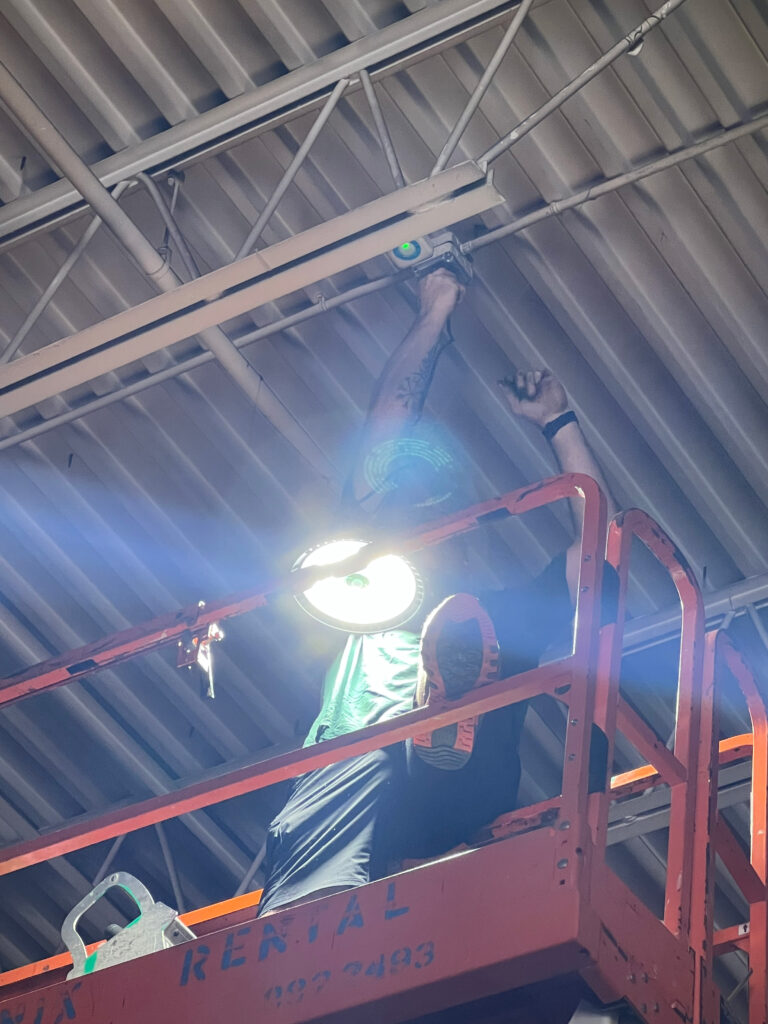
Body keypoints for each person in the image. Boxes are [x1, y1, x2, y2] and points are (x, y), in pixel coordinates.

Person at [257, 268, 619, 916]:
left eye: (438, 508)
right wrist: (434, 311)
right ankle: (438, 716)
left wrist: (559, 421)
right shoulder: (367, 585)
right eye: (411, 506)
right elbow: (385, 427)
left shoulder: (498, 615)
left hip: (443, 804)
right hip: (351, 803)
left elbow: (599, 546)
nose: (424, 518)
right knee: (348, 789)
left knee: (470, 639)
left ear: (470, 532)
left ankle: (446, 719)